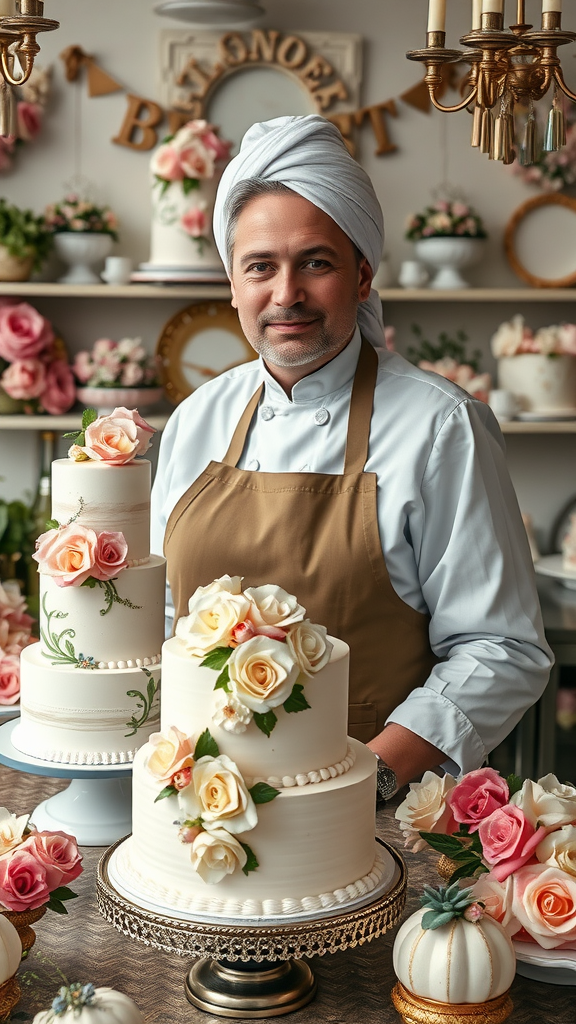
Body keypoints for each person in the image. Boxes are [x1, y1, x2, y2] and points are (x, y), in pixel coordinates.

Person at [151, 114, 552, 797]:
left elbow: (502, 649)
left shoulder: (441, 425)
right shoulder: (197, 419)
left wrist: (369, 778)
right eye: (260, 267)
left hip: (377, 814)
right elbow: (163, 619)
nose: (286, 294)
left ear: (362, 275)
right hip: (201, 807)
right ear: (232, 284)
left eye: (316, 262)